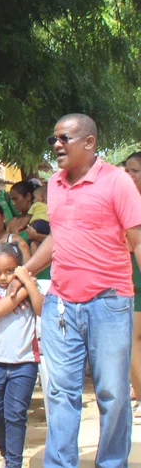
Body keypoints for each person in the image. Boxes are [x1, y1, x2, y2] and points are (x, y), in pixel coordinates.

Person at [19, 114, 141, 468]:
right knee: (59, 394)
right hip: (60, 305)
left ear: (89, 143)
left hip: (109, 302)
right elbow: (59, 237)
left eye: (64, 138)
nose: (57, 145)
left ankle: (112, 463)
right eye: (54, 138)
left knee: (113, 393)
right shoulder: (54, 184)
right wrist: (25, 269)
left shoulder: (118, 183)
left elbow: (136, 241)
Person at [0, 243, 41, 468]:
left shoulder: (30, 286)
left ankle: (13, 463)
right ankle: (8, 454)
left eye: (9, 271)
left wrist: (29, 285)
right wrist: (24, 286)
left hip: (24, 362)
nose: (3, 277)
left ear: (20, 268)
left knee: (16, 414)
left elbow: (41, 308)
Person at [124, 152, 141, 418]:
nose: (128, 176)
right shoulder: (125, 200)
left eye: (134, 170)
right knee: (130, 341)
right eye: (126, 170)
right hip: (129, 277)